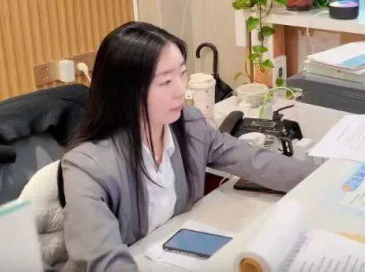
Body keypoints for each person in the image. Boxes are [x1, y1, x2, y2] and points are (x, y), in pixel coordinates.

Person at [60, 22, 316, 270]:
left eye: (182, 73)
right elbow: (105, 260)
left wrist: (323, 180)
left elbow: (253, 160)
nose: (180, 90)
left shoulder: (190, 126)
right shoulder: (86, 167)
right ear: (125, 92)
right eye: (165, 82)